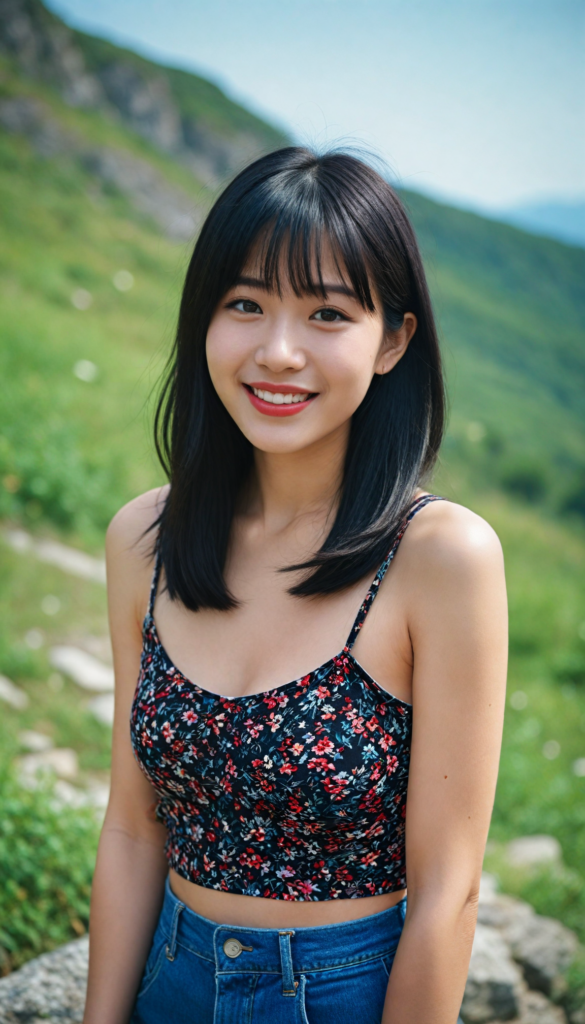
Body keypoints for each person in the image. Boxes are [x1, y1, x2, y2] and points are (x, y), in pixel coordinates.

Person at [83, 148, 508, 1024]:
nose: (278, 352)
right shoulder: (146, 540)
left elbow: (447, 891)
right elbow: (133, 827)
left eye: (326, 313)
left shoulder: (440, 557)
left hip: (345, 993)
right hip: (169, 977)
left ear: (391, 339)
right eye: (245, 304)